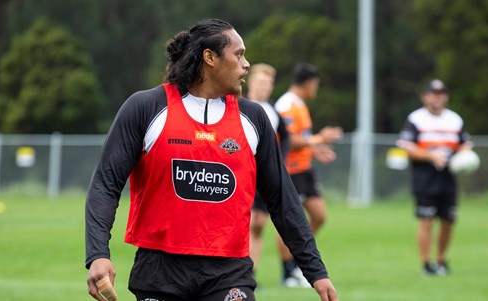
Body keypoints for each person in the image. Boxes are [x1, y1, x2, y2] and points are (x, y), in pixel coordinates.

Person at [85, 19, 338, 301]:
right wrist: (97, 255)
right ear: (210, 58)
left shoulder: (254, 119)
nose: (247, 64)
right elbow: (105, 185)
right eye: (239, 54)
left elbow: (282, 199)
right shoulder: (146, 107)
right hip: (159, 272)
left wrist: (316, 272)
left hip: (229, 273)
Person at [274, 63, 343, 287]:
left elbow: (302, 139)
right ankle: (288, 272)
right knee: (290, 223)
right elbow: (289, 140)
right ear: (309, 83)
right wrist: (320, 139)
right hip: (290, 171)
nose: (316, 89)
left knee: (319, 215)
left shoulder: (300, 104)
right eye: (316, 85)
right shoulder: (286, 105)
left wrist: (315, 149)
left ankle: (296, 258)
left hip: (305, 169)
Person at [396, 79, 473, 276]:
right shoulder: (416, 118)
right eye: (433, 93)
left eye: (441, 94)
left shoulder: (454, 119)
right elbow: (406, 145)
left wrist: (465, 155)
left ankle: (441, 260)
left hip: (448, 177)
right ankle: (426, 264)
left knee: (448, 220)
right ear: (425, 96)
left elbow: (465, 142)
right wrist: (431, 155)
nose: (437, 97)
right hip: (425, 177)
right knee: (426, 220)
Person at [244, 63, 290, 274]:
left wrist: (280, 162)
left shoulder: (273, 111)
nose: (266, 87)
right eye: (262, 82)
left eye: (270, 83)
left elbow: (286, 137)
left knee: (259, 224)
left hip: (264, 175)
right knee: (248, 221)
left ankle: (251, 271)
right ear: (251, 82)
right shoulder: (239, 105)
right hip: (243, 173)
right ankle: (239, 268)